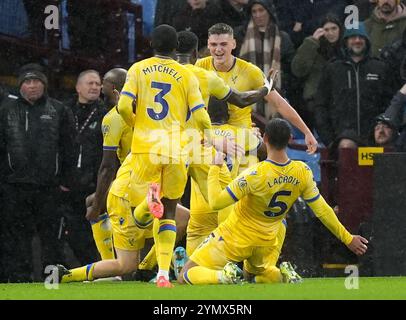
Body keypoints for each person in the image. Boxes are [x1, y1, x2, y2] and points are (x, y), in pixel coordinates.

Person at [178, 118, 368, 285]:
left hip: (237, 237)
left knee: (185, 274)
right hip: (268, 240)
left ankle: (222, 277)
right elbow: (323, 211)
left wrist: (215, 168)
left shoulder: (255, 174)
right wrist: (348, 238)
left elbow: (216, 203)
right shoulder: (302, 171)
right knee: (253, 276)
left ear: (265, 139)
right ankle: (281, 273)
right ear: (290, 141)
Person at [117, 24, 213, 288]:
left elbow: (124, 105)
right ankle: (161, 273)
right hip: (175, 149)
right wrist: (210, 135)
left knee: (141, 217)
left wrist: (136, 123)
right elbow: (201, 113)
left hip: (146, 147)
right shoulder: (186, 75)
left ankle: (147, 204)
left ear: (151, 44)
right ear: (176, 48)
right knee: (170, 213)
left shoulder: (138, 69)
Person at [0, 63, 76, 282]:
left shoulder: (59, 110)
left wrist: (66, 180)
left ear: (44, 84)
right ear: (20, 85)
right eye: (27, 81)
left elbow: (70, 147)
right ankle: (19, 281)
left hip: (49, 188)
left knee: (51, 240)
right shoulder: (5, 110)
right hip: (14, 188)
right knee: (16, 240)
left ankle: (50, 283)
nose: (32, 86)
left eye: (36, 81)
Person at [197, 23, 318, 153]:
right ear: (208, 44)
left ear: (233, 44)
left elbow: (278, 103)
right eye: (214, 45)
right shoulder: (199, 66)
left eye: (223, 44)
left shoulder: (250, 71)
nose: (218, 49)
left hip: (243, 141)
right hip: (210, 139)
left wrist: (306, 132)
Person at [314, 23, 394, 148]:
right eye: (353, 37)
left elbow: (390, 102)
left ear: (367, 41)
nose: (357, 41)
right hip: (343, 137)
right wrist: (328, 138)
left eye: (361, 37)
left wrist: (386, 129)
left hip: (375, 136)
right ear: (346, 41)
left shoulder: (380, 68)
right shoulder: (333, 68)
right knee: (347, 147)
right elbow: (321, 105)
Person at [62, 70, 108, 265]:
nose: (95, 87)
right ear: (78, 87)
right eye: (90, 83)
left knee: (99, 234)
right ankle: (84, 269)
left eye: (98, 84)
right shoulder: (64, 111)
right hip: (68, 186)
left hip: (96, 185)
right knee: (74, 235)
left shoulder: (105, 113)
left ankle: (102, 269)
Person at [85, 68, 131, 261]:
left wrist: (97, 207)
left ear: (112, 88)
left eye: (103, 82)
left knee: (92, 204)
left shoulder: (113, 117)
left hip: (134, 178)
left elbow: (107, 167)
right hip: (159, 171)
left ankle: (110, 265)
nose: (100, 86)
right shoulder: (144, 110)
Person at [239, 0, 296, 116]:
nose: (257, 15)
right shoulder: (240, 35)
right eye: (254, 11)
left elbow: (290, 67)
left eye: (261, 10)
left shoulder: (282, 37)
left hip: (276, 95)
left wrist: (279, 80)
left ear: (269, 12)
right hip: (246, 96)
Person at [291, 14, 344, 130]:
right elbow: (298, 70)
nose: (330, 33)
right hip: (315, 102)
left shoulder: (345, 48)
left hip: (341, 102)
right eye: (326, 29)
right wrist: (312, 42)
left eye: (334, 28)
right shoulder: (314, 47)